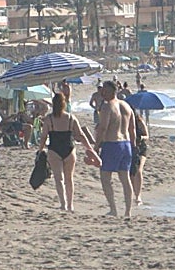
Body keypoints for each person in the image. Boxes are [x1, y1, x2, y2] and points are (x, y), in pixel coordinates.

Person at [39, 91, 98, 213]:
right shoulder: (71, 118)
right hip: (69, 150)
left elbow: (44, 136)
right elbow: (81, 135)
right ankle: (70, 205)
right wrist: (89, 148)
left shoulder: (49, 119)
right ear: (64, 104)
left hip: (54, 150)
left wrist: (40, 150)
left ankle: (63, 204)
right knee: (69, 179)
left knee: (58, 178)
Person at [93, 79, 137, 218]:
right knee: (125, 178)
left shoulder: (107, 107)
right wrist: (133, 146)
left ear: (112, 91)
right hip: (126, 144)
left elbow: (103, 128)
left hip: (112, 144)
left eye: (105, 91)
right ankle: (128, 211)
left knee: (105, 177)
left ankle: (113, 209)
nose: (102, 93)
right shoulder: (126, 106)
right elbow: (132, 129)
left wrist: (96, 146)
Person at [130, 109, 149, 207]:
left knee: (139, 170)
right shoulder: (124, 122)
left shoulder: (139, 121)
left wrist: (140, 138)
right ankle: (134, 192)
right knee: (131, 173)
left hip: (141, 148)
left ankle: (138, 196)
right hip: (130, 148)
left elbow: (147, 136)